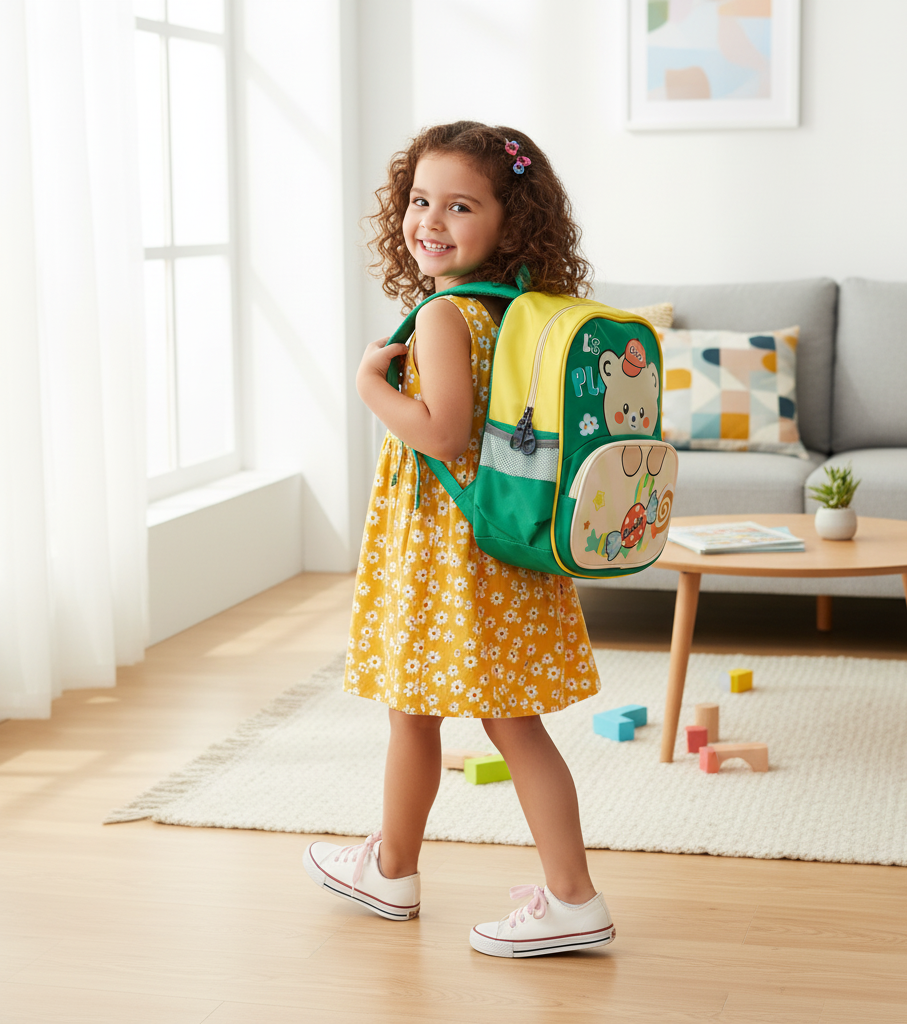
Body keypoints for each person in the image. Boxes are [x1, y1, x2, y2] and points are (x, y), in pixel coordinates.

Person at [301, 121, 614, 958]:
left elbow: (440, 434)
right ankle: (394, 868)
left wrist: (371, 381)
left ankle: (567, 897)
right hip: (499, 540)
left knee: (439, 716)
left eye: (460, 205)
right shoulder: (513, 311)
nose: (429, 219)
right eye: (419, 199)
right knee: (488, 718)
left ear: (511, 224)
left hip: (450, 553)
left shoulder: (443, 315)